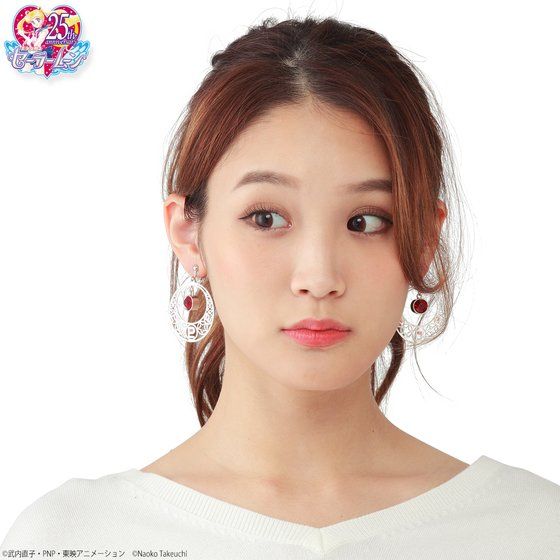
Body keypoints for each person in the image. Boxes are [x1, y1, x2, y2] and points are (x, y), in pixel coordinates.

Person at [2, 14, 559, 558]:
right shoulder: (73, 538)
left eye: (366, 220)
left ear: (425, 239)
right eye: (266, 218)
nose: (319, 278)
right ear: (188, 233)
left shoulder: (536, 530)